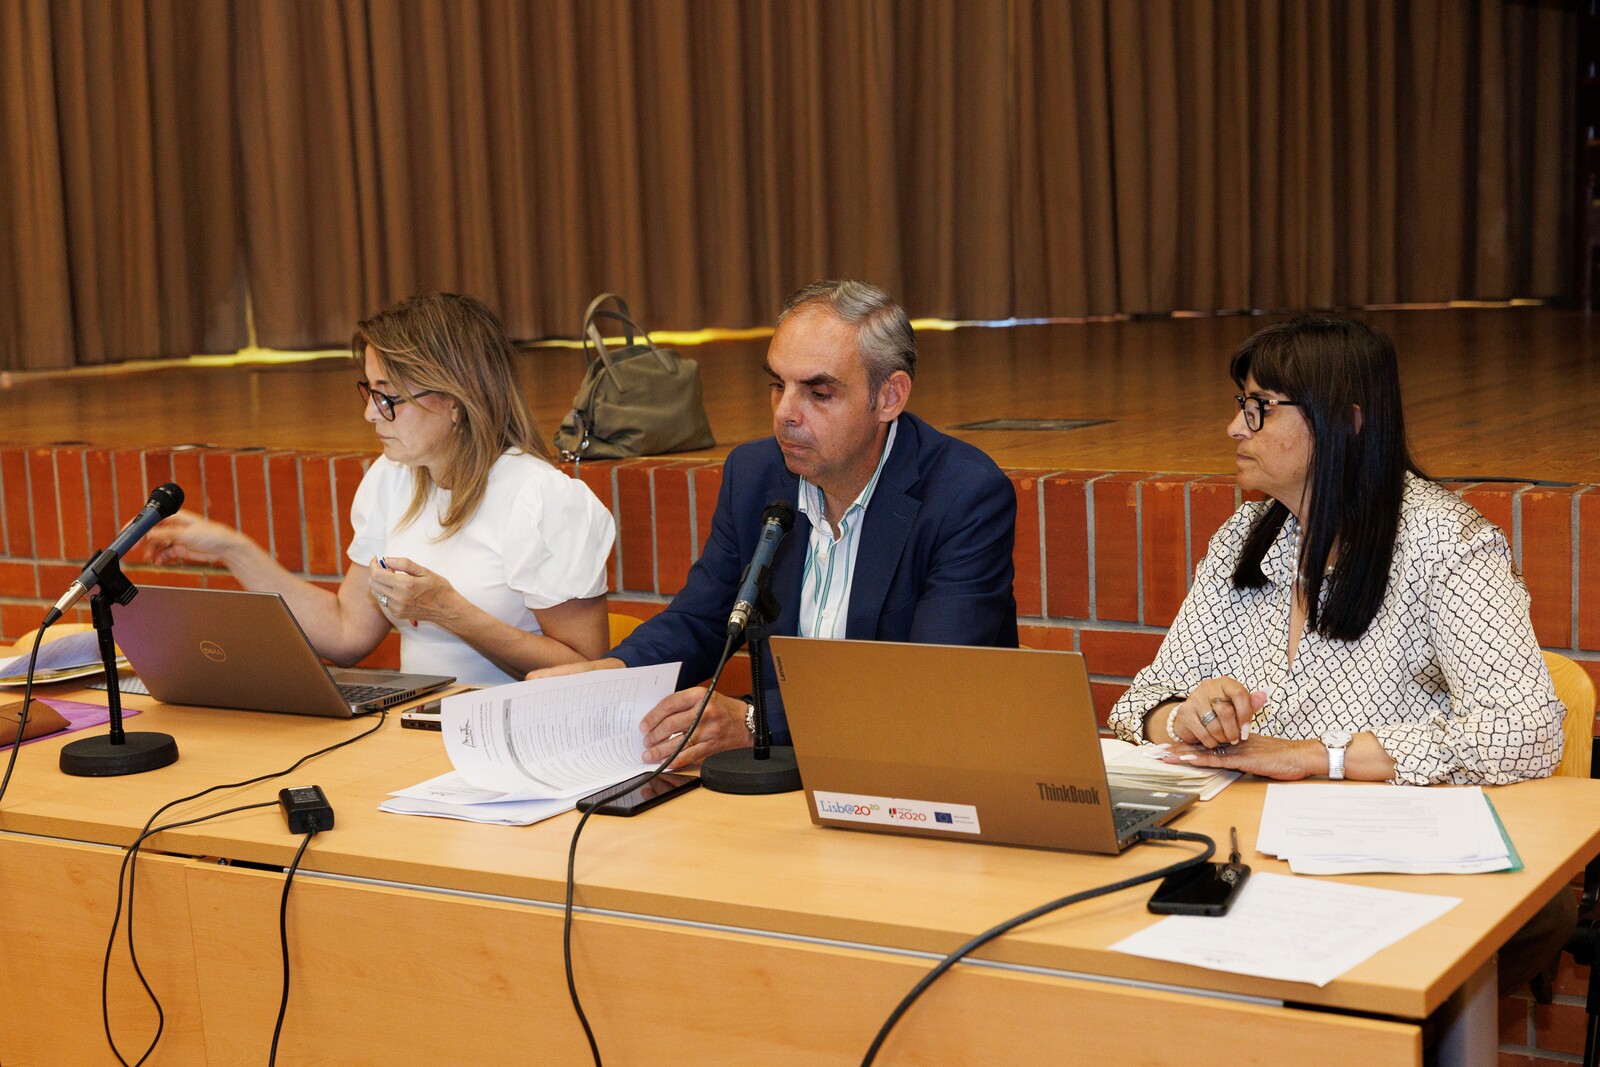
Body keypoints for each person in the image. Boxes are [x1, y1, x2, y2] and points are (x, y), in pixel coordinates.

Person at [1108, 313, 1569, 992]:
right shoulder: (1246, 537)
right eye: (1241, 405)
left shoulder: (1446, 543)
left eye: (1260, 408)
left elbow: (1526, 731)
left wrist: (1316, 755)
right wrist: (1187, 716)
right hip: (1262, 853)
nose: (1234, 428)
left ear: (1347, 423)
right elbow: (1138, 702)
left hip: (1398, 865)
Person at [530, 279, 1018, 766]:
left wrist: (755, 721)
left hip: (922, 770)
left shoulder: (962, 496)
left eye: (818, 393)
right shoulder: (756, 475)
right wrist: (609, 676)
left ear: (890, 397)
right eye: (778, 385)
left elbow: (933, 683)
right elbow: (701, 620)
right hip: (789, 778)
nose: (785, 413)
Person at [145, 291, 616, 687]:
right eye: (369, 391)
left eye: (387, 396)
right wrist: (233, 550)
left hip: (511, 740)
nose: (370, 413)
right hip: (417, 733)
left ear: (455, 401)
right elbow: (346, 633)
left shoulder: (541, 499)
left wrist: (450, 612)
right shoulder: (393, 478)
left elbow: (586, 672)